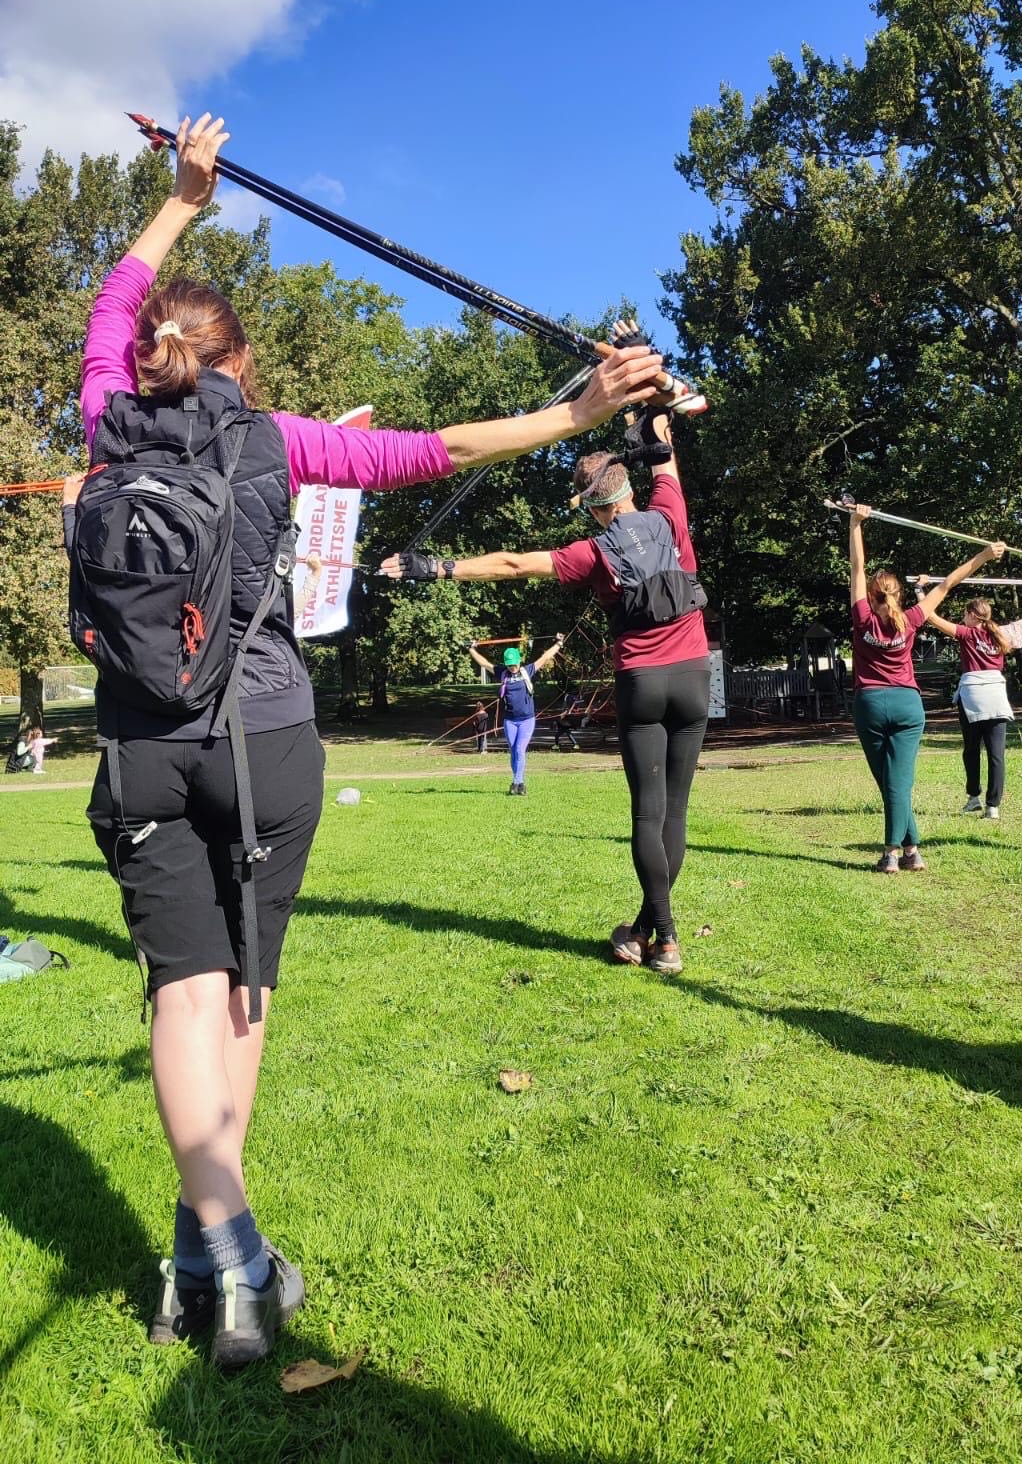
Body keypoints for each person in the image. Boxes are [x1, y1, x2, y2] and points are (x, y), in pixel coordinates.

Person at [73, 114, 666, 1370]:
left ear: (142, 357)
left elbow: (112, 296)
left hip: (138, 747)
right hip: (269, 739)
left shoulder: (104, 422)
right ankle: (228, 1255)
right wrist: (581, 413)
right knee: (243, 990)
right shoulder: (281, 440)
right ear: (242, 359)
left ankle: (212, 1254)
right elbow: (442, 449)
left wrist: (182, 197)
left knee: (180, 993)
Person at [383, 321, 709, 974]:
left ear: (592, 507)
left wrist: (431, 568)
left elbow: (508, 564)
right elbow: (663, 435)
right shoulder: (670, 512)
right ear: (628, 488)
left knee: (648, 812)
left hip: (642, 682)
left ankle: (662, 935)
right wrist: (641, 356)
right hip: (695, 676)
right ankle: (653, 931)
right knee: (675, 810)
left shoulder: (589, 552)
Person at [848, 505, 1005, 873]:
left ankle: (890, 853)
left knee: (891, 783)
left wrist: (855, 525)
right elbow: (949, 582)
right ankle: (912, 849)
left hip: (870, 704)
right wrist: (984, 554)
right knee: (896, 782)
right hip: (907, 705)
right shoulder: (914, 618)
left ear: (872, 597)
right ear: (900, 595)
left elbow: (857, 567)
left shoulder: (862, 616)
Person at [916, 578, 1022, 819]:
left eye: (965, 614)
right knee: (996, 754)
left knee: (971, 749)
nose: (962, 618)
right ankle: (993, 806)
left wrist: (920, 590)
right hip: (996, 695)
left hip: (973, 696)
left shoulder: (966, 634)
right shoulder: (1001, 634)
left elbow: (931, 617)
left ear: (971, 615)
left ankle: (973, 796)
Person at [467, 636, 566, 793]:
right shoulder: (503, 673)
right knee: (513, 750)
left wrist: (559, 643)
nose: (513, 667)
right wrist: (471, 649)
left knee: (520, 749)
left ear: (519, 662)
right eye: (510, 665)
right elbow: (484, 663)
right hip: (510, 721)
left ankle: (517, 782)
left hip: (527, 720)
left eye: (515, 664)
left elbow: (546, 657)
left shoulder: (527, 671)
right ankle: (519, 783)